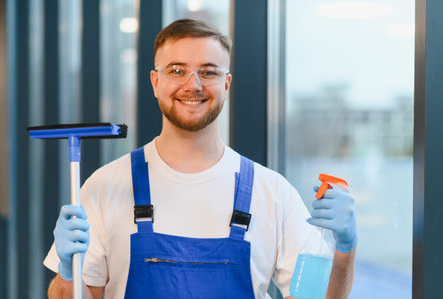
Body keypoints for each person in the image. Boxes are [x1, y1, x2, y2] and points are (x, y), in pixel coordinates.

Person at [44, 18, 357, 299]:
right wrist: (68, 271)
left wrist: (345, 250)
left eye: (208, 72)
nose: (192, 85)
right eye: (177, 70)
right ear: (155, 82)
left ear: (226, 84)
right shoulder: (105, 186)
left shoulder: (273, 193)